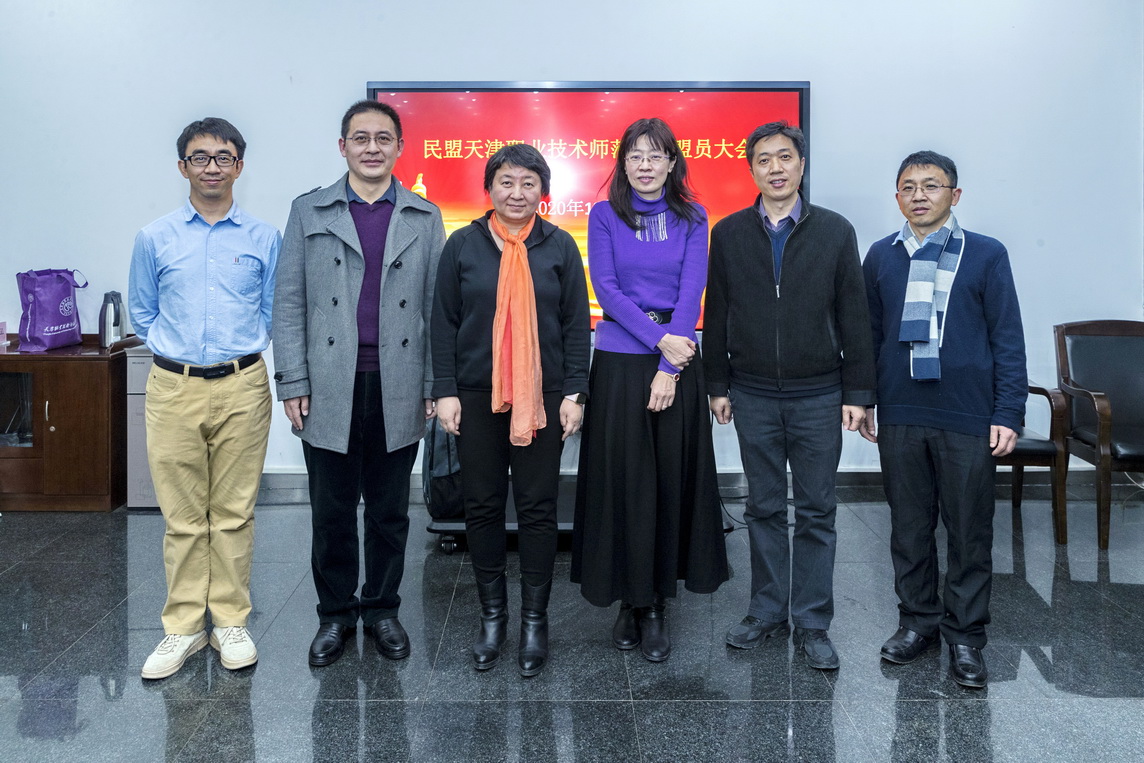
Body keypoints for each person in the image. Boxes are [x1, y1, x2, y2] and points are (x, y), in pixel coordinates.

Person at [272, 100, 445, 667]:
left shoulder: (424, 215)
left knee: (390, 512)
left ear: (400, 148)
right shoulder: (309, 211)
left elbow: (436, 308)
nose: (373, 148)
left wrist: (432, 381)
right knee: (332, 510)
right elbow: (289, 301)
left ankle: (383, 610)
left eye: (383, 138)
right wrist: (292, 379)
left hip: (397, 383)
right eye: (361, 138)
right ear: (342, 146)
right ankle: (335, 615)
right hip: (328, 385)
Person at [704, 121, 876, 670]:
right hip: (752, 394)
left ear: (801, 164)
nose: (775, 168)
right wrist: (716, 384)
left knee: (819, 509)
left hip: (820, 395)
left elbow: (854, 313)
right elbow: (718, 312)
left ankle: (813, 620)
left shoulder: (835, 231)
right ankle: (767, 609)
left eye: (785, 157)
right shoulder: (729, 233)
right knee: (763, 507)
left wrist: (859, 392)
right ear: (751, 169)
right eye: (763, 159)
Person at [861, 151, 1026, 688]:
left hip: (968, 413)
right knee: (909, 528)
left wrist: (1008, 411)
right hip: (901, 410)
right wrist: (865, 398)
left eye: (931, 185)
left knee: (969, 531)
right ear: (897, 198)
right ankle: (918, 623)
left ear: (955, 195)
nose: (919, 195)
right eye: (908, 186)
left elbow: (1007, 336)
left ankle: (966, 637)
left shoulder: (986, 253)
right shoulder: (881, 256)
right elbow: (868, 335)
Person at [570, 118, 729, 663]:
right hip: (620, 360)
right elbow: (607, 289)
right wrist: (660, 341)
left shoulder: (693, 216)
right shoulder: (603, 214)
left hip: (676, 362)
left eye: (656, 155)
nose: (644, 165)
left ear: (671, 163)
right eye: (635, 155)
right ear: (623, 162)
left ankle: (657, 602)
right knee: (623, 482)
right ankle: (628, 598)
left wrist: (670, 364)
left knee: (667, 482)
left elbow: (692, 287)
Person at [129, 117, 280, 679]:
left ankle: (231, 622)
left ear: (239, 166)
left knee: (235, 512)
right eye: (200, 157)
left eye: (222, 157)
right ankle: (184, 627)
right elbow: (143, 312)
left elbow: (272, 309)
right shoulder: (155, 237)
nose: (211, 167)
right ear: (182, 167)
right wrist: (179, 354)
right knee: (184, 516)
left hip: (243, 384)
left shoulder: (264, 238)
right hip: (174, 387)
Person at [432, 144, 590, 677]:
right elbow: (443, 323)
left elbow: (576, 326)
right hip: (476, 395)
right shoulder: (463, 244)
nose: (517, 193)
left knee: (538, 507)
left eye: (528, 183)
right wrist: (446, 390)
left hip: (543, 395)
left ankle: (534, 622)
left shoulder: (559, 245)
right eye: (506, 182)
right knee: (481, 505)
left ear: (543, 191)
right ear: (489, 188)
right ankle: (493, 617)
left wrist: (575, 393)